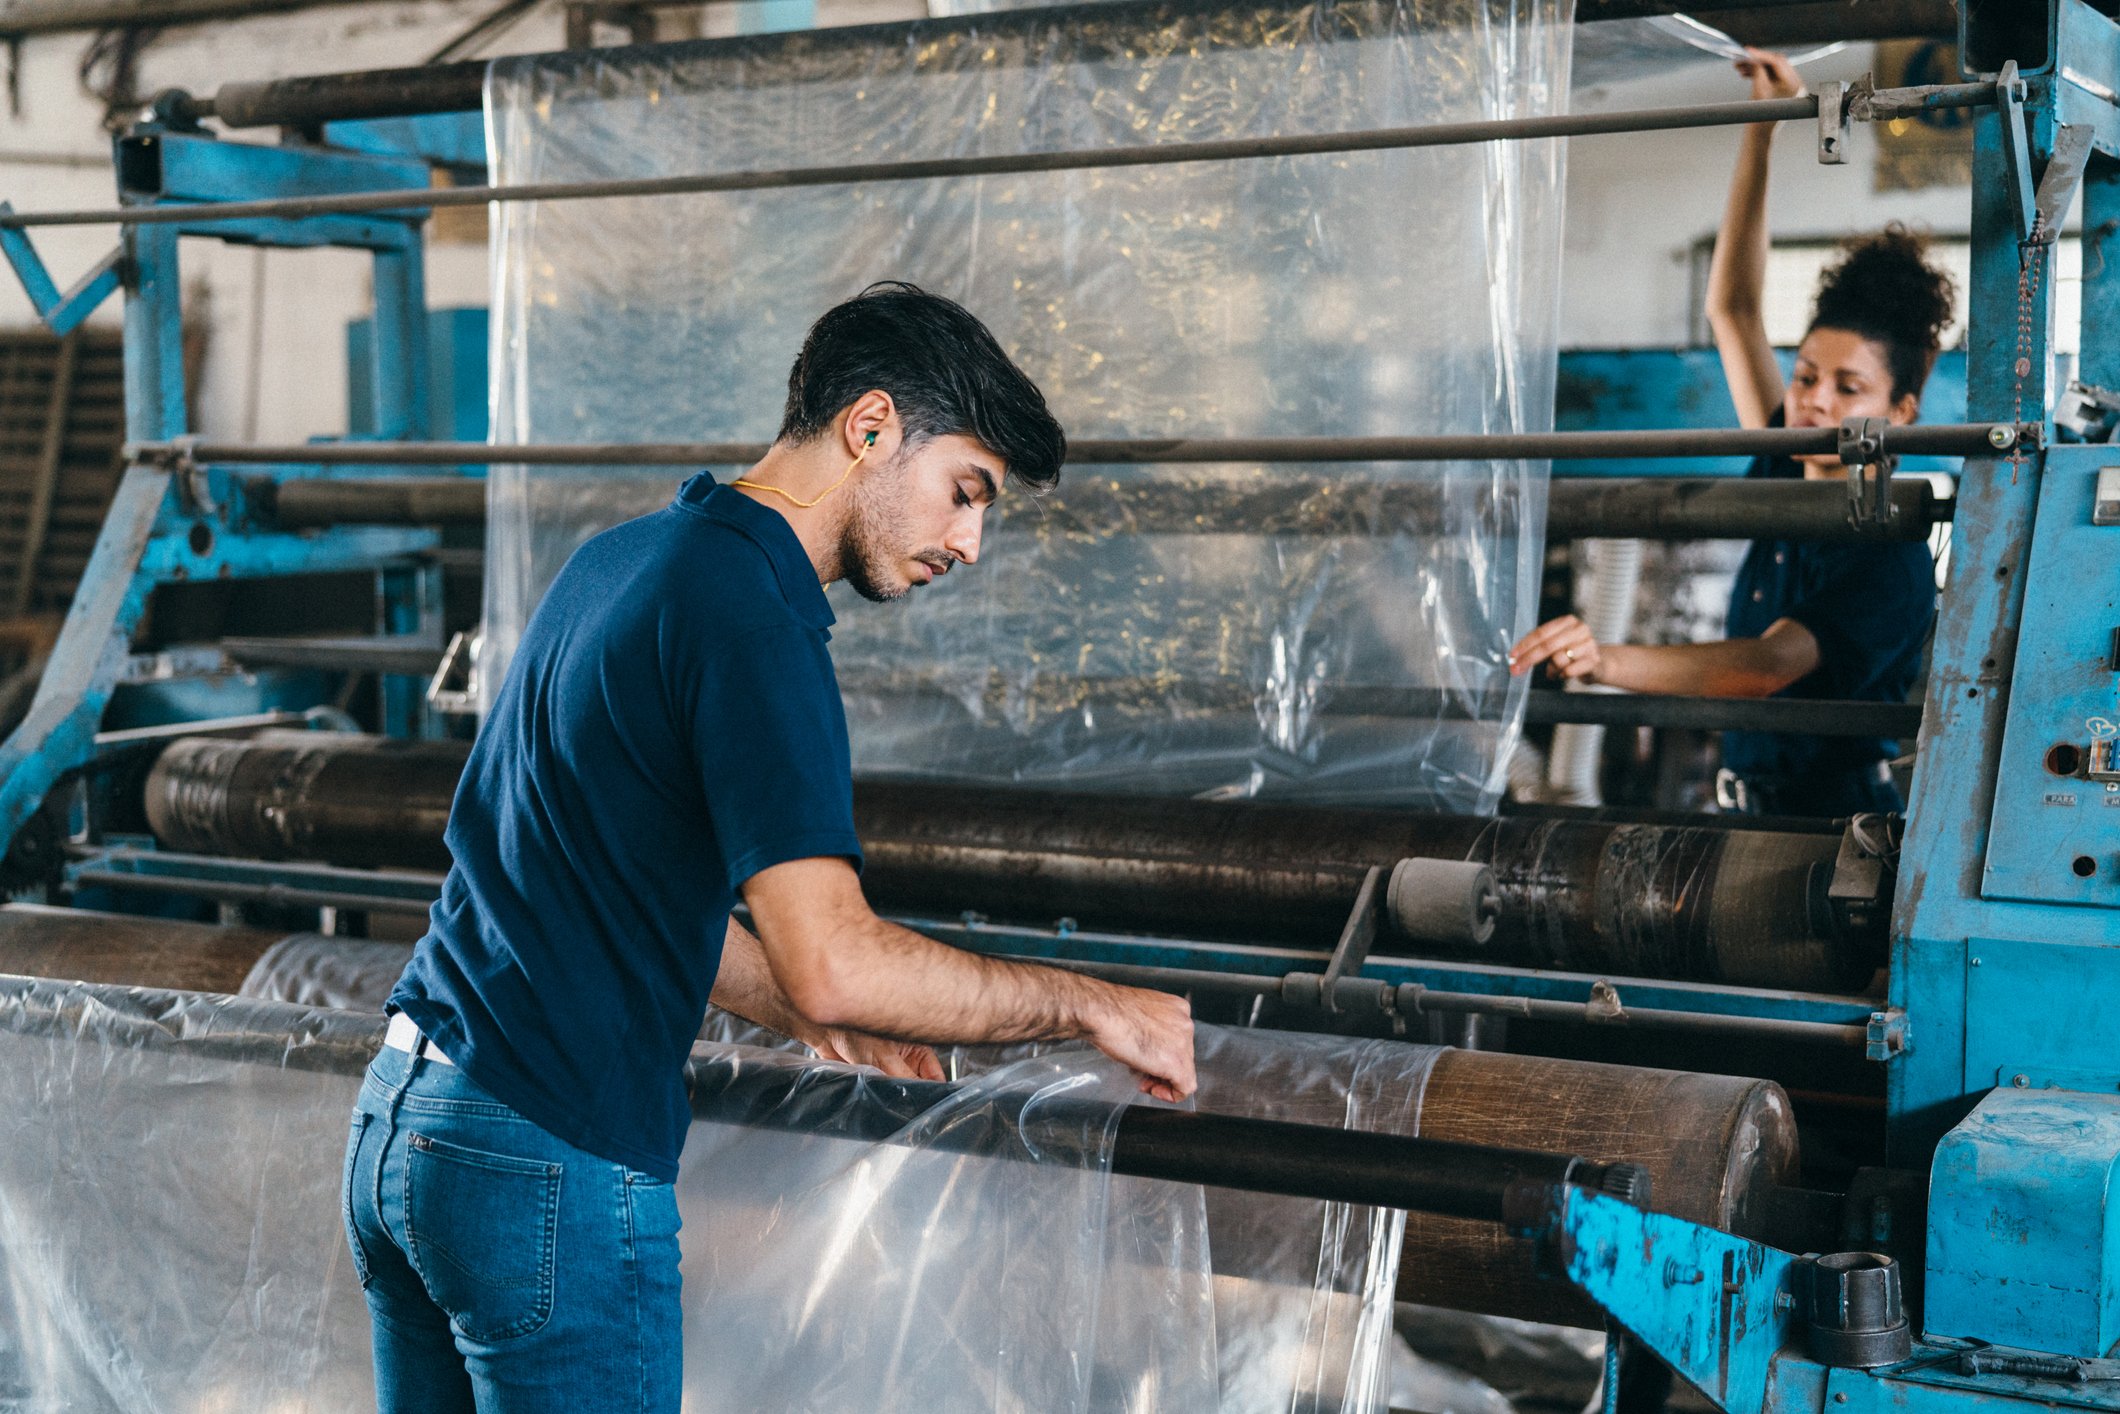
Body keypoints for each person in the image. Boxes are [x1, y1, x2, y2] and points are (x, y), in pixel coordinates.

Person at [341, 282, 1198, 1414]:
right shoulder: (753, 617)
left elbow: (600, 895)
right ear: (871, 426)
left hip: (408, 1128)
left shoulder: (626, 560)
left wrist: (808, 1020)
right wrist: (1090, 1003)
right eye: (964, 491)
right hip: (547, 1159)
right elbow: (832, 956)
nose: (969, 541)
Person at [1510, 48, 1954, 818]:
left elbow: (1763, 665)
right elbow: (1735, 311)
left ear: (1904, 408)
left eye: (1849, 388)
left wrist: (1604, 658)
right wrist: (1764, 124)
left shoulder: (1890, 554)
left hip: (1829, 821)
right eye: (1807, 374)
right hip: (1743, 803)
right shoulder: (1788, 465)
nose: (1813, 402)